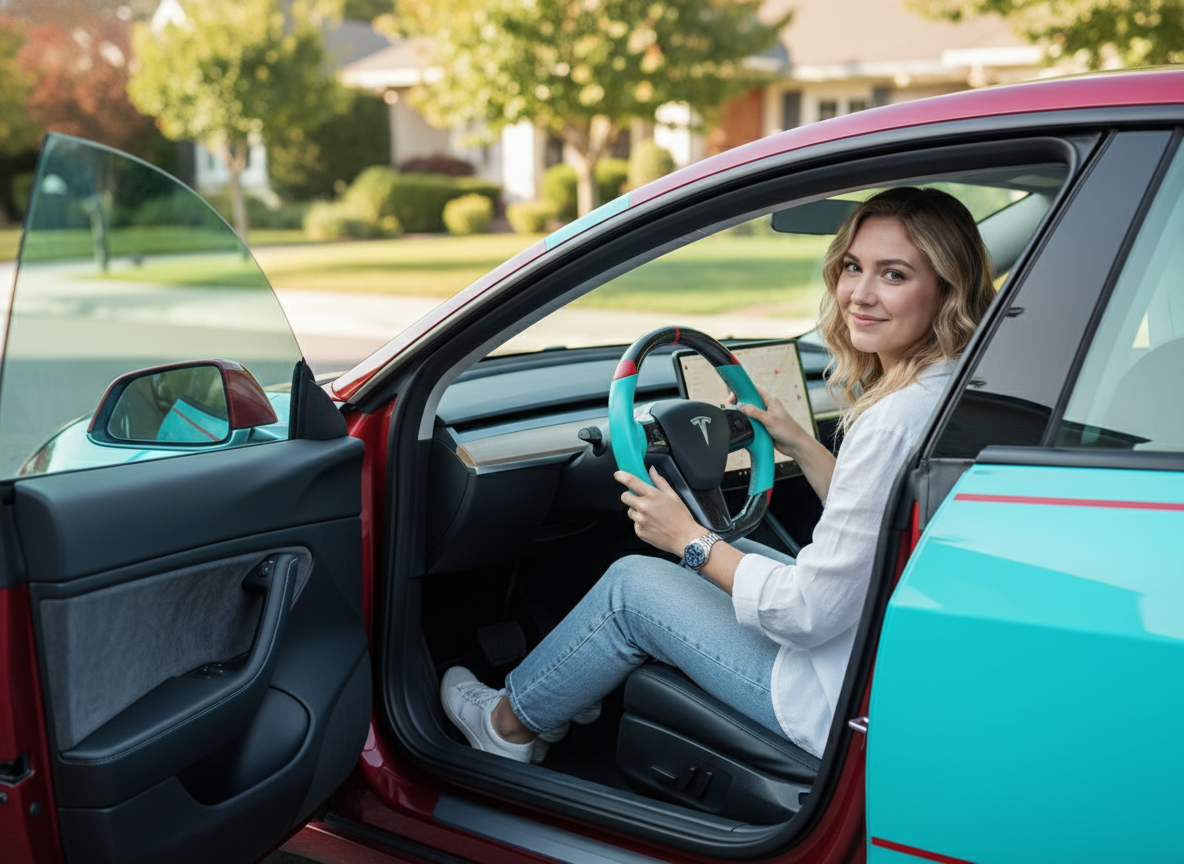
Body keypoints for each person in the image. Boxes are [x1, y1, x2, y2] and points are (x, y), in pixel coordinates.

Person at [441, 186, 996, 763]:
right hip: (887, 651)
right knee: (730, 544)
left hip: (833, 692)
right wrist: (801, 444)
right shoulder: (957, 388)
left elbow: (807, 613)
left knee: (633, 585)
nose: (859, 293)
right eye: (853, 267)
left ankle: (508, 727)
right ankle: (571, 682)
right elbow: (888, 525)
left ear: (945, 289)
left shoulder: (891, 421)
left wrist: (687, 539)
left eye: (894, 275)